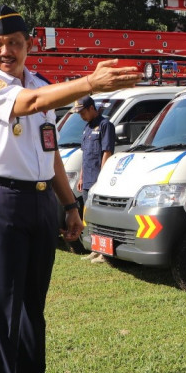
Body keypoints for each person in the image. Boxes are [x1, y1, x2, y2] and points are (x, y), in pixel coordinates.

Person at [0, 5, 140, 373]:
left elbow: (52, 154)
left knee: (31, 303)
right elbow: (32, 102)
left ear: (30, 45)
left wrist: (69, 205)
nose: (6, 51)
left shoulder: (43, 83)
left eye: (15, 43)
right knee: (2, 307)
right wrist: (90, 81)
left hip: (40, 201)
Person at [74, 95, 115, 263]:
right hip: (87, 179)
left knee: (101, 217)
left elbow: (107, 152)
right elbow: (86, 155)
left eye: (82, 112)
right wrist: (81, 177)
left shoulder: (105, 125)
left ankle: (104, 253)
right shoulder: (87, 127)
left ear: (92, 108)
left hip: (98, 179)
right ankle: (94, 248)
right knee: (89, 215)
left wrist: (102, 178)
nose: (81, 115)